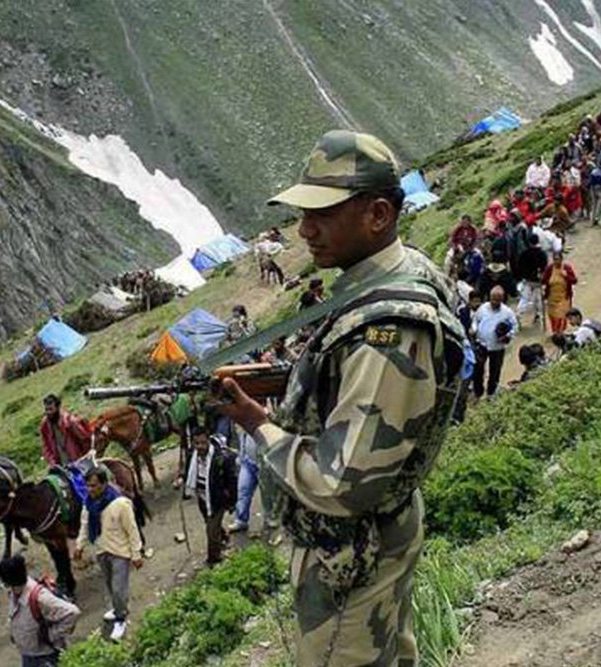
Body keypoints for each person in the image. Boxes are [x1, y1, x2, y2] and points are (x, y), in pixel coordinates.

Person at [218, 130, 467, 666]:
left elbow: (344, 482)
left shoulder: (390, 330)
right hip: (379, 536)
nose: (304, 229)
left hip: (351, 554)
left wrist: (260, 425)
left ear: (377, 214)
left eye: (323, 214)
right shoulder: (400, 273)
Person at [75, 468, 143, 642]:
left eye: (94, 486)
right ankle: (117, 609)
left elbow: (132, 529)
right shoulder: (88, 503)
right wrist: (79, 545)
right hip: (101, 550)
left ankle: (121, 619)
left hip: (120, 552)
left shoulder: (120, 504)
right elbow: (84, 524)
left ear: (104, 484)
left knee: (119, 589)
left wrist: (136, 553)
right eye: (88, 486)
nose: (90, 489)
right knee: (110, 585)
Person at [0, 554, 80, 666]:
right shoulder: (14, 592)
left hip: (46, 656)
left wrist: (51, 636)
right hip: (28, 653)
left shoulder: (40, 598)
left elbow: (72, 612)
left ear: (8, 582)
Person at [184, 429, 238, 565]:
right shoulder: (192, 456)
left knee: (211, 531)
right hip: (202, 498)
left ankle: (214, 559)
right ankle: (224, 536)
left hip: (217, 500)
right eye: (197, 443)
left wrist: (232, 502)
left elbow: (232, 481)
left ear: (208, 441)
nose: (200, 447)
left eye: (203, 443)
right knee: (210, 524)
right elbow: (187, 473)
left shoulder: (220, 458)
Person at [472, 286, 518, 397]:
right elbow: (475, 321)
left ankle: (491, 393)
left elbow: (515, 327)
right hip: (481, 345)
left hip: (497, 347)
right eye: (493, 299)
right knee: (478, 369)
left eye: (498, 300)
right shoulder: (482, 308)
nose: (495, 302)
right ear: (489, 297)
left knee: (495, 371)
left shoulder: (507, 312)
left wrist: (508, 336)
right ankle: (478, 392)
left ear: (502, 299)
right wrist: (473, 330)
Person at [40, 394, 92, 468]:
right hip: (61, 465)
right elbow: (46, 446)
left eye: (51, 409)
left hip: (79, 461)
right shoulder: (45, 426)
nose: (49, 413)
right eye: (46, 410)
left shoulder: (70, 422)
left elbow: (85, 439)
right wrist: (52, 462)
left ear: (57, 408)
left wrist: (85, 458)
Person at [542, 251, 578, 334]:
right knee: (553, 316)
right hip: (552, 297)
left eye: (558, 259)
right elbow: (544, 280)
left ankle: (561, 333)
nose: (556, 261)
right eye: (554, 259)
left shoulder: (567, 268)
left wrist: (566, 276)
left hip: (564, 298)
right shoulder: (550, 269)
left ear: (561, 260)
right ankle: (555, 332)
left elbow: (574, 280)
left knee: (561, 317)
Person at [517, 234, 548, 324]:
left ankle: (519, 314)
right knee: (537, 298)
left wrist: (523, 276)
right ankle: (539, 314)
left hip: (527, 280)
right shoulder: (542, 254)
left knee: (525, 298)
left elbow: (519, 266)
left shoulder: (524, 253)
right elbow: (544, 267)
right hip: (538, 281)